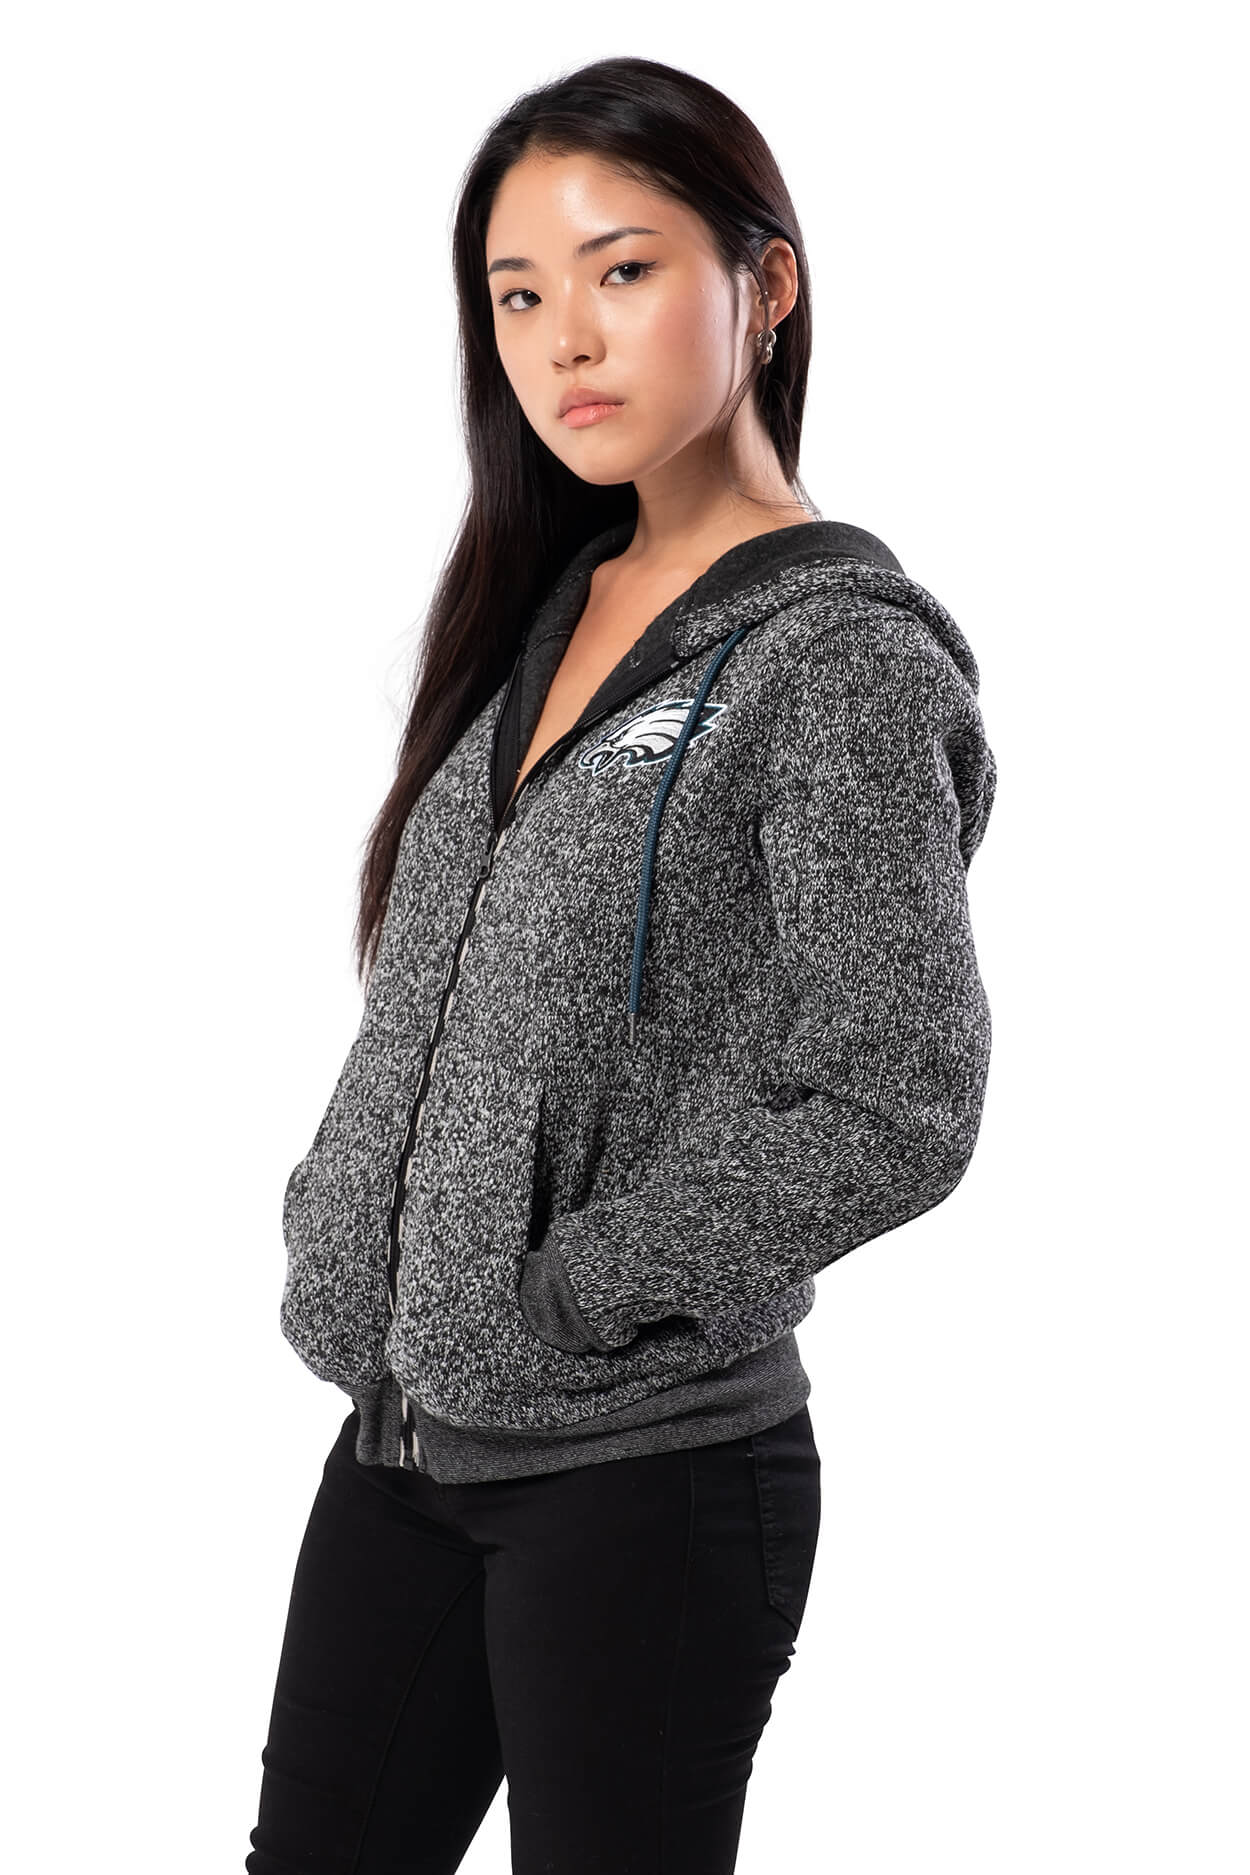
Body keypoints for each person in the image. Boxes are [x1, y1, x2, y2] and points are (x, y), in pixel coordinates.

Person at [247, 53, 997, 1875]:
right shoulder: (537, 612)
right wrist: (346, 1226)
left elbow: (895, 1092)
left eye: (623, 270)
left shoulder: (835, 660)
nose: (564, 339)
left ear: (766, 281)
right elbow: (436, 1002)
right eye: (516, 296)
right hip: (405, 1446)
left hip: (646, 1474)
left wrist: (579, 1292)